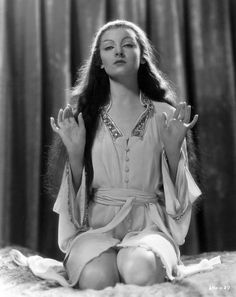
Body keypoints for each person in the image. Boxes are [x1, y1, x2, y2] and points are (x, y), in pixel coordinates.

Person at [49, 19, 202, 290]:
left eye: (128, 44)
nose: (118, 51)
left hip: (150, 227)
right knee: (97, 278)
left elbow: (177, 201)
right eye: (109, 47)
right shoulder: (85, 117)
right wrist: (74, 152)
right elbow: (72, 203)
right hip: (96, 227)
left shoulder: (165, 115)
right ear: (100, 61)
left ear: (142, 56)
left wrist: (173, 150)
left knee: (140, 270)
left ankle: (138, 260)